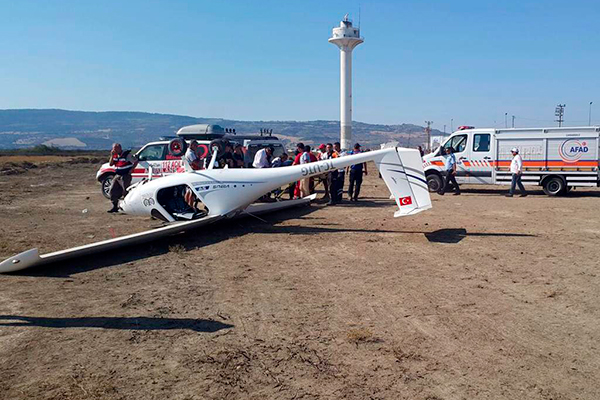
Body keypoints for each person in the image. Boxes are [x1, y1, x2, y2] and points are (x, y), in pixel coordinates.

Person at [107, 143, 138, 213]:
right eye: (113, 148)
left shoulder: (126, 155)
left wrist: (131, 170)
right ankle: (115, 206)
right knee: (112, 190)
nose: (113, 150)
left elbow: (135, 161)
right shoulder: (115, 155)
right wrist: (112, 156)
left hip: (125, 175)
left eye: (115, 148)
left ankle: (127, 207)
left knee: (125, 191)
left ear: (119, 148)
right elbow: (111, 164)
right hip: (118, 175)